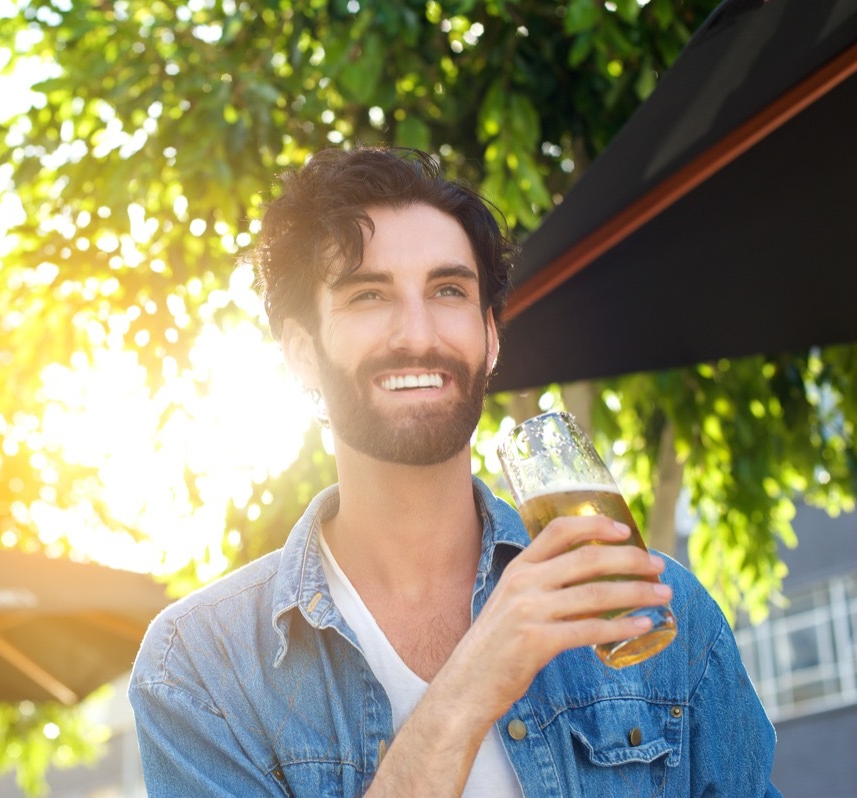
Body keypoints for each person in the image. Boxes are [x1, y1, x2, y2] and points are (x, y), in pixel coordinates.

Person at [128, 146, 781, 797]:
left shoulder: (666, 617)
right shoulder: (199, 668)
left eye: (447, 291)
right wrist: (473, 683)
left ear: (490, 338)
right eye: (368, 295)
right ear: (302, 353)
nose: (417, 333)